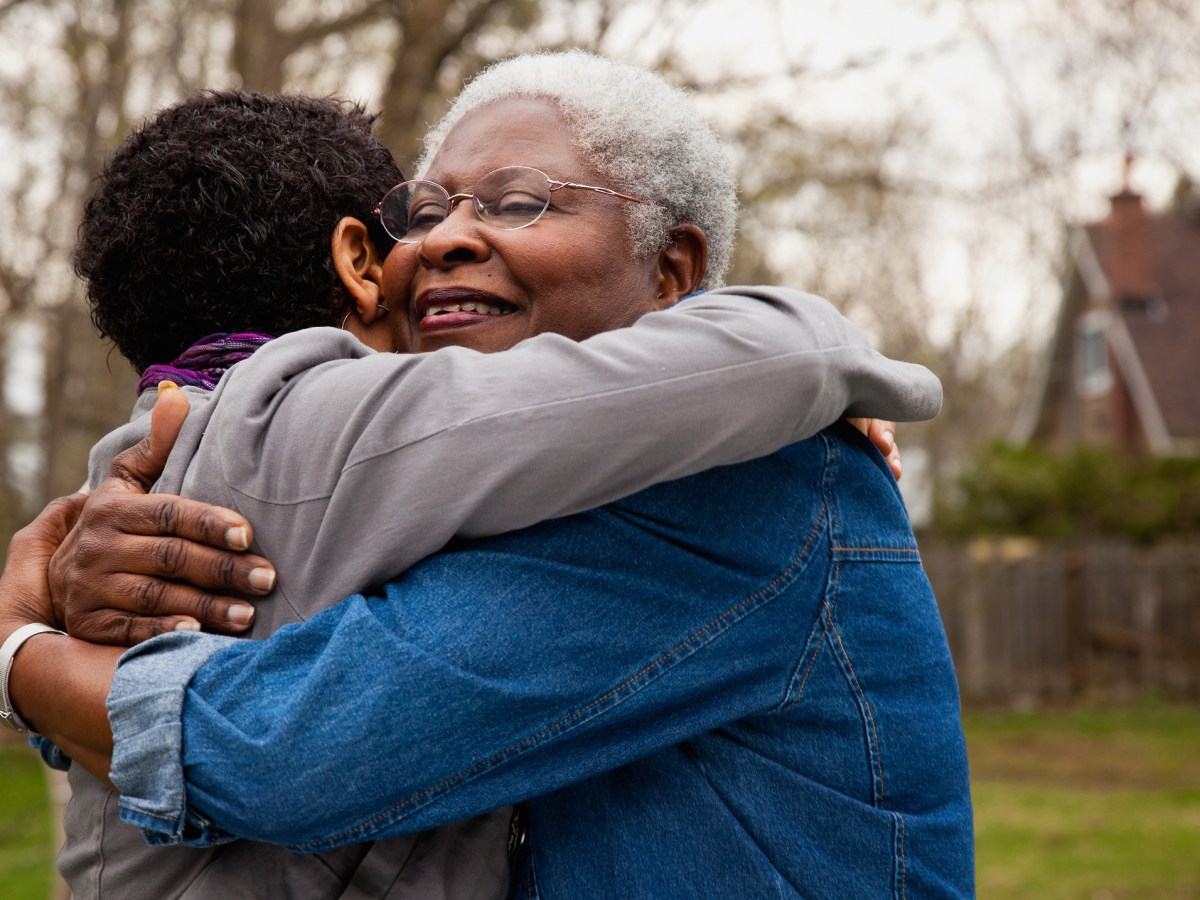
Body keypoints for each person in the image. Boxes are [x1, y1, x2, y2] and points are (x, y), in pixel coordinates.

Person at [3, 51, 971, 897]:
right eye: (426, 213)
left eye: (518, 202)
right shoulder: (481, 486)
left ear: (674, 273)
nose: (444, 240)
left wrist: (20, 649)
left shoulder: (748, 479)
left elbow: (281, 752)